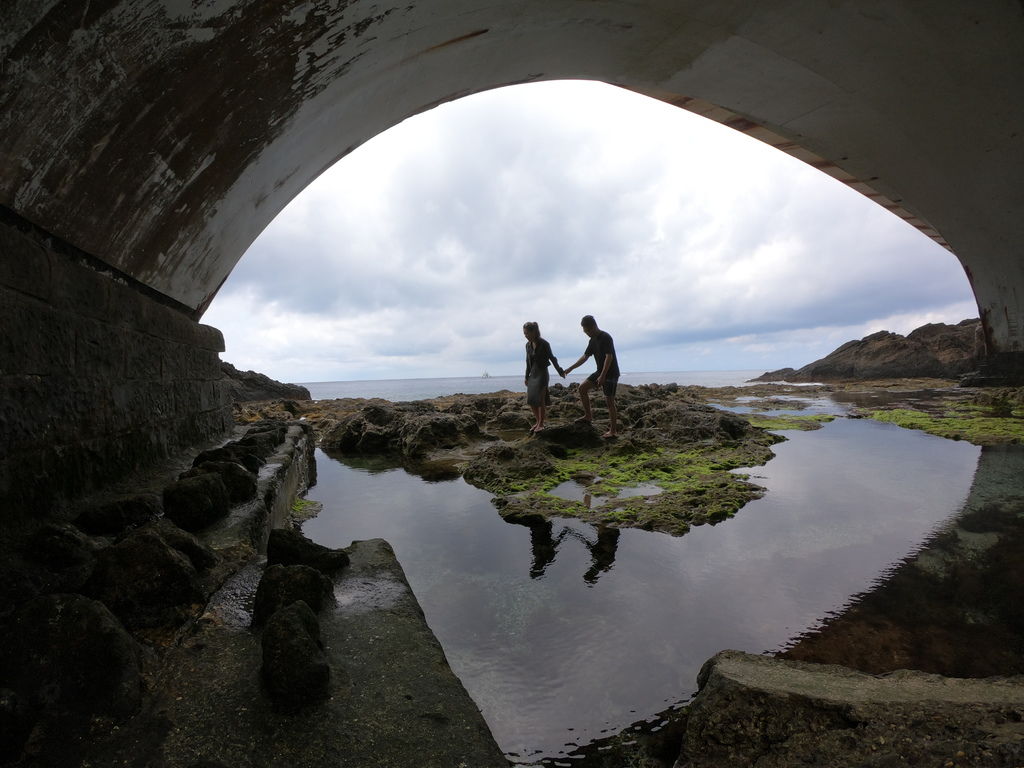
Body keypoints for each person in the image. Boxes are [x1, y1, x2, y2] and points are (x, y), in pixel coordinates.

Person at [563, 315, 620, 438]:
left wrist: (603, 376)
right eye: (585, 331)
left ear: (594, 326)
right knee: (582, 388)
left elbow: (609, 357)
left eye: (587, 330)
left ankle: (613, 431)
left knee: (609, 401)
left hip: (611, 373)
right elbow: (585, 357)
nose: (586, 333)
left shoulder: (606, 337)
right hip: (600, 372)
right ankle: (588, 416)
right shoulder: (592, 340)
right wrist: (570, 368)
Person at [523, 321, 564, 432]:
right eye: (524, 334)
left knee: (540, 400)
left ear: (534, 332)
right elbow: (527, 362)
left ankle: (541, 424)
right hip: (533, 373)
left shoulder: (544, 343)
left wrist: (560, 371)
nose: (525, 336)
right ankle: (537, 421)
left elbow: (552, 358)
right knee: (531, 400)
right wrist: (526, 377)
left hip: (542, 373)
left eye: (527, 333)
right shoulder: (527, 345)